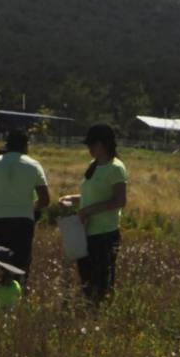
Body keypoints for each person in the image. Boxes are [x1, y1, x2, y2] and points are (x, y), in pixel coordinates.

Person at [60, 124, 128, 304]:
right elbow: (91, 196)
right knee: (87, 279)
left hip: (105, 233)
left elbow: (119, 201)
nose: (89, 149)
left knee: (102, 280)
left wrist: (88, 210)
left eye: (92, 145)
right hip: (86, 231)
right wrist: (73, 199)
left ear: (103, 144)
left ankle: (101, 312)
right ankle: (91, 310)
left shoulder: (116, 168)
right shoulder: (93, 165)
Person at [0, 130, 49, 283]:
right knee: (20, 264)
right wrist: (29, 208)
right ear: (25, 146)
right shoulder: (34, 165)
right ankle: (18, 294)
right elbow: (45, 199)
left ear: (7, 145)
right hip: (23, 223)